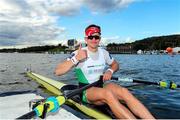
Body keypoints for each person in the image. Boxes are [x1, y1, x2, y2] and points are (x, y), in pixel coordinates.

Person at [54, 24, 155, 119]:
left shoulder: (104, 53)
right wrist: (76, 59)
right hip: (86, 90)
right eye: (90, 37)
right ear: (86, 39)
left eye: (96, 37)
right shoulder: (78, 53)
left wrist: (110, 71)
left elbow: (115, 64)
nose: (94, 39)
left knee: (124, 91)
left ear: (100, 39)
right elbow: (58, 71)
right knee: (108, 94)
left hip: (101, 85)